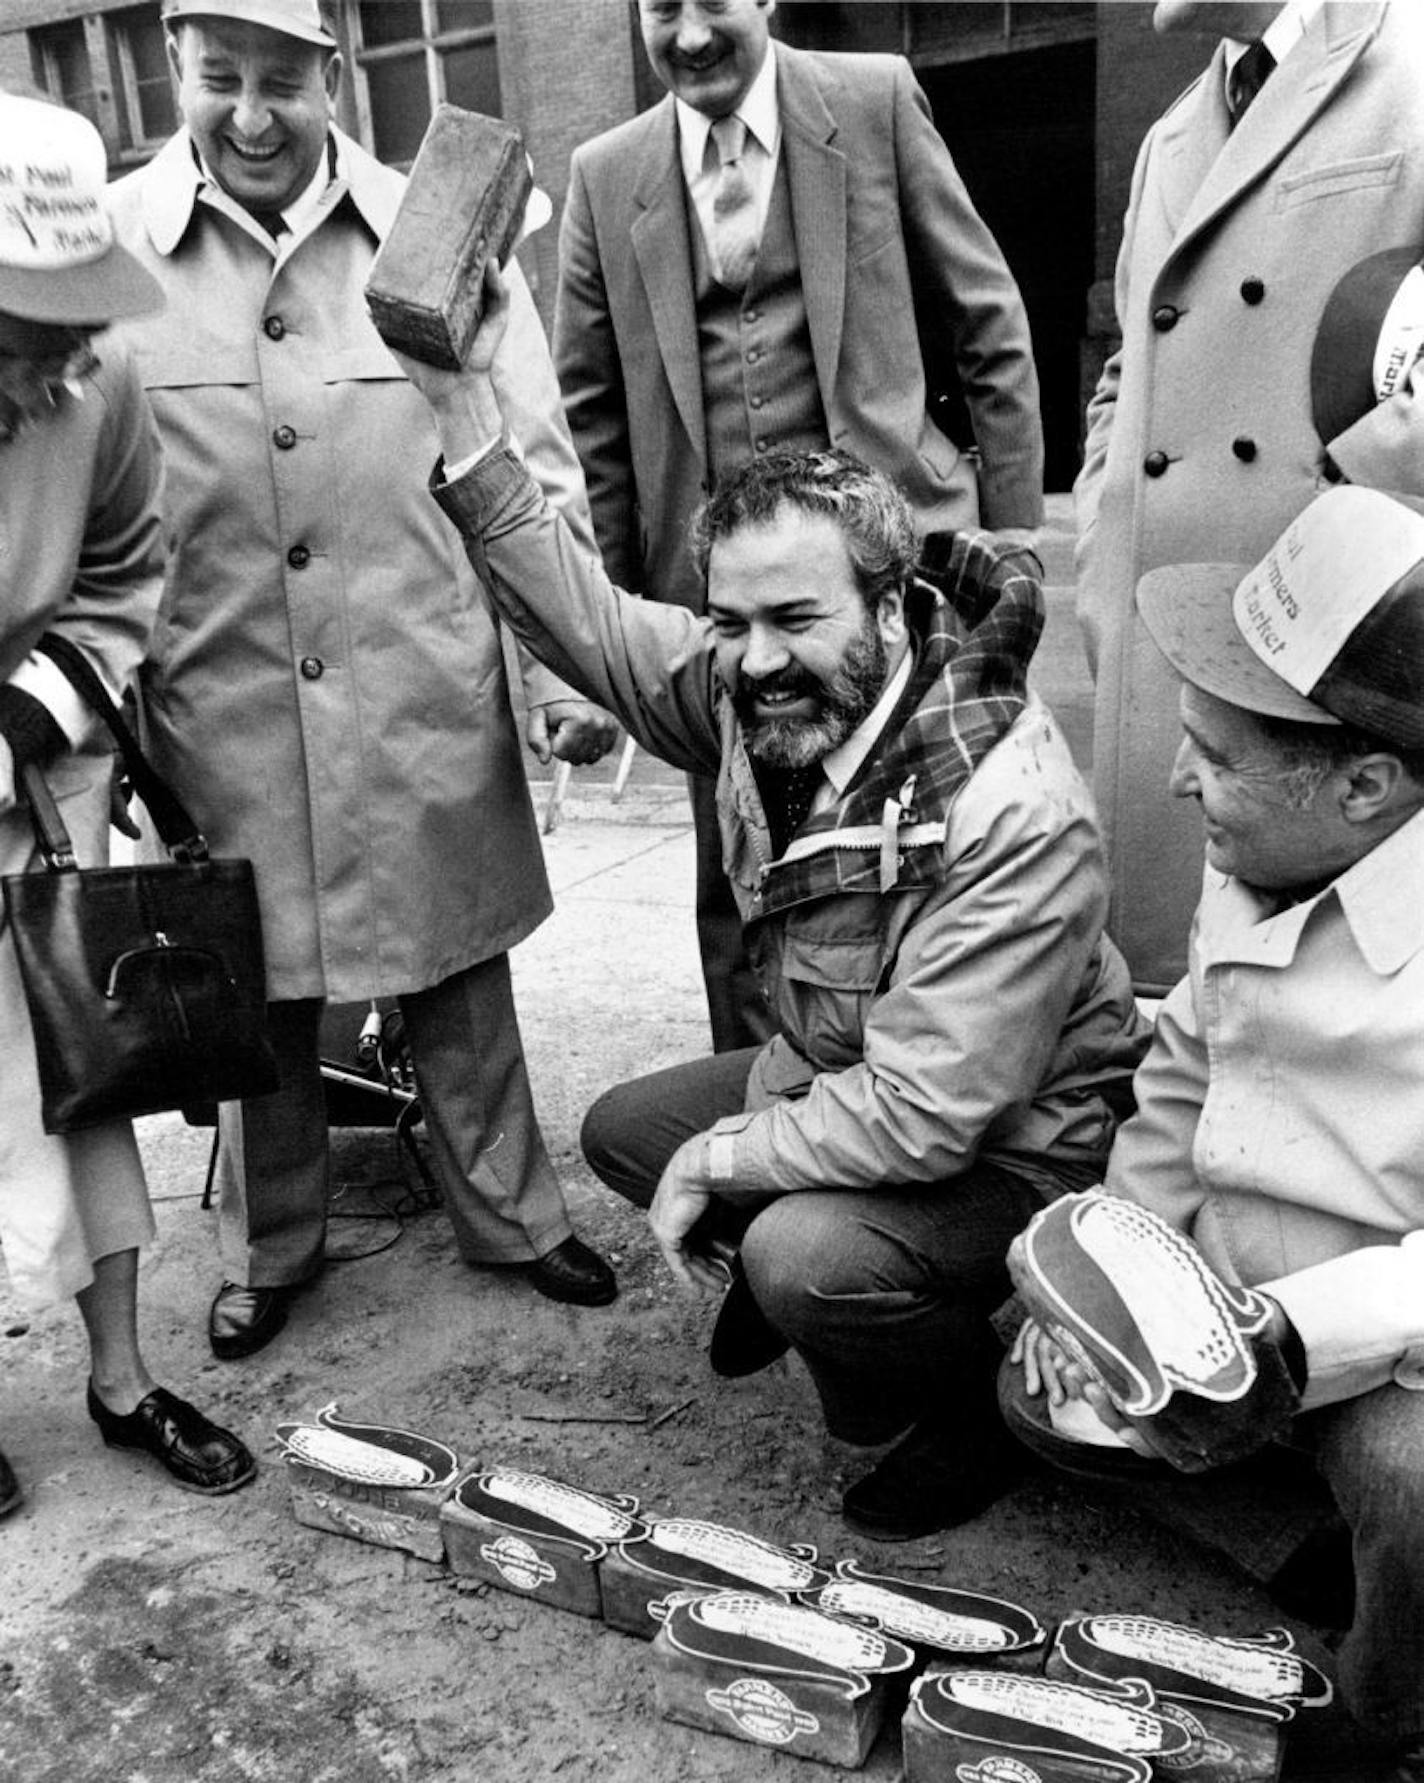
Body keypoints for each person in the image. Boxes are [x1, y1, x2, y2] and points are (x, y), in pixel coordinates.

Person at [393, 268, 1144, 1541]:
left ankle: (972, 1409)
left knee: (802, 1253)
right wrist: (461, 402)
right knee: (625, 1129)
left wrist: (726, 1158)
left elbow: (921, 1116)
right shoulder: (762, 691)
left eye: (794, 617)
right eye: (730, 620)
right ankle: (810, 1261)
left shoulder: (1010, 807)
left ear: (893, 607)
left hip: (1016, 1149)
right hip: (842, 1073)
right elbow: (589, 622)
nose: (753, 659)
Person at [106, 0, 620, 1363]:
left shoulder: (434, 222)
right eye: (223, 80)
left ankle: (514, 1213)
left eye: (284, 79)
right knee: (253, 985)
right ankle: (271, 1244)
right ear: (176, 68)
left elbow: (532, 454)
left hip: (418, 675)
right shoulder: (112, 251)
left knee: (458, 969)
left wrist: (566, 667)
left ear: (333, 73)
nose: (254, 114)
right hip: (222, 696)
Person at [1005, 483, 1424, 1777]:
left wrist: (1294, 1343)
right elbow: (1183, 1066)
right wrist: (1125, 1268)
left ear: (1366, 782)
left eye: (1221, 756)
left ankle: (1387, 1713)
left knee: (1412, 1482)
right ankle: (1297, 1539)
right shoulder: (1267, 845)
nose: (1182, 781)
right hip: (1233, 1302)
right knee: (1033, 1380)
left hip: (1381, 1343)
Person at [555, 0, 1045, 1053]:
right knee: (736, 885)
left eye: (711, 2)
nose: (687, 35)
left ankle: (933, 1099)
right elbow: (588, 421)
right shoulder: (604, 175)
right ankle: (755, 1132)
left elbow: (988, 327)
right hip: (721, 617)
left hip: (891, 589)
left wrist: (1013, 551)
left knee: (926, 855)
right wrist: (605, 640)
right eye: (659, 7)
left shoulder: (869, 104)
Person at [0, 92, 254, 1509]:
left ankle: (120, 1379)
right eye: (16, 341)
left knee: (85, 1087)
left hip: (36, 781)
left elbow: (122, 581)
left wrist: (25, 727)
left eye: (69, 338)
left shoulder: (102, 390)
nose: (51, 376)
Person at [1076, 0, 1424, 994]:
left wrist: (1357, 534)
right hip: (1162, 673)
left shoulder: (1403, 58)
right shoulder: (1171, 132)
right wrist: (1110, 537)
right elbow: (1127, 366)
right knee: (1160, 1026)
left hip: (1319, 687)